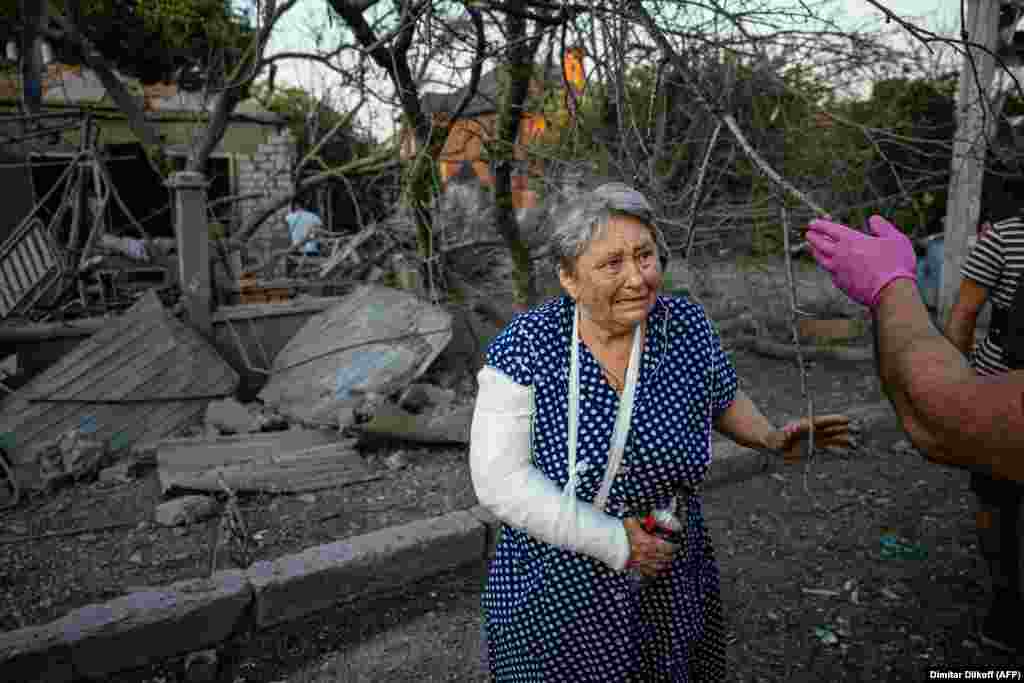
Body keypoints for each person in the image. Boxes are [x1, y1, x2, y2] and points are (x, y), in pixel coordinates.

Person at [470, 182, 851, 682]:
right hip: (558, 574)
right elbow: (499, 480)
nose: (637, 278)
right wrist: (612, 540)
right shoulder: (527, 345)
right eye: (612, 264)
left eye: (645, 256)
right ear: (568, 278)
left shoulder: (684, 326)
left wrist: (770, 437)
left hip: (665, 564)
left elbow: (721, 396)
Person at [806, 214, 1024, 653]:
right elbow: (929, 420)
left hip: (982, 408)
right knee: (997, 507)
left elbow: (938, 419)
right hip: (988, 394)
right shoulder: (1004, 237)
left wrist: (891, 287)